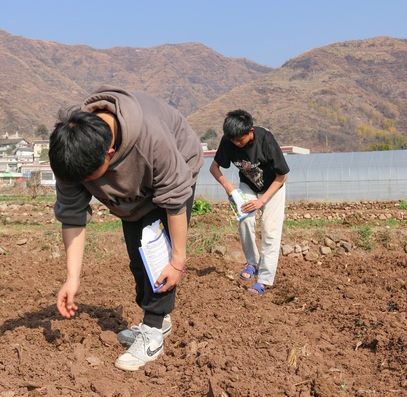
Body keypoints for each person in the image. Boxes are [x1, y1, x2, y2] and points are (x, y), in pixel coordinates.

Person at [49, 85, 204, 371]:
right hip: (132, 194)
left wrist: (178, 259)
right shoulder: (74, 151)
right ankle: (159, 319)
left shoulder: (151, 140)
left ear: (109, 154)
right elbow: (72, 217)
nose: (84, 185)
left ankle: (153, 331)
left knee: (158, 258)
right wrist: (72, 277)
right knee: (138, 260)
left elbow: (175, 199)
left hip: (176, 171)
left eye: (89, 178)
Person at [209, 109, 289, 296]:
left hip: (273, 187)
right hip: (248, 185)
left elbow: (282, 176)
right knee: (245, 219)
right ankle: (252, 262)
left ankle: (264, 281)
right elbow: (214, 168)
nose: (237, 143)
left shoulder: (265, 140)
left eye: (240, 140)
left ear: (250, 131)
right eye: (233, 140)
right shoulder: (228, 140)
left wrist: (261, 201)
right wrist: (228, 186)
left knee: (270, 231)